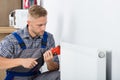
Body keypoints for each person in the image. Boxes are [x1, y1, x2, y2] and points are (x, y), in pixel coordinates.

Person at [0, 5, 60, 80]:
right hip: (15, 77)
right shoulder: (12, 39)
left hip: (36, 76)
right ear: (29, 23)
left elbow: (55, 68)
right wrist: (21, 61)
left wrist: (49, 62)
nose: (44, 28)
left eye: (45, 24)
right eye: (40, 25)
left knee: (57, 75)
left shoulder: (48, 38)